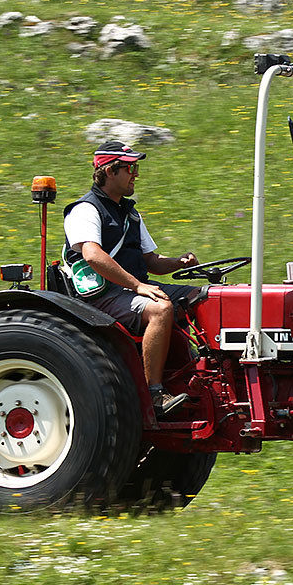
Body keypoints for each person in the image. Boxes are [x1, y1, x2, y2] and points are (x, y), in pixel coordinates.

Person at [62, 140, 200, 416]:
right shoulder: (85, 210)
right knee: (160, 309)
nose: (136, 174)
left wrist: (178, 261)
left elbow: (152, 261)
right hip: (103, 294)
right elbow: (93, 256)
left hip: (133, 289)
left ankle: (198, 375)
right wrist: (138, 286)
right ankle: (155, 395)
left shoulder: (130, 214)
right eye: (130, 168)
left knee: (202, 298)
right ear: (109, 171)